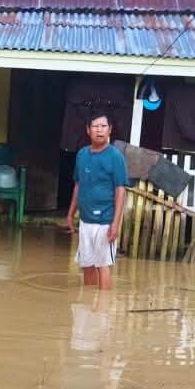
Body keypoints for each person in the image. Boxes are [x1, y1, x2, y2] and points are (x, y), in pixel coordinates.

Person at [64, 114, 128, 290]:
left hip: (105, 221)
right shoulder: (82, 155)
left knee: (102, 264)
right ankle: (89, 304)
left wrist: (115, 223)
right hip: (85, 220)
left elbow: (120, 190)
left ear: (110, 130)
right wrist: (70, 214)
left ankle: (103, 309)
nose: (99, 130)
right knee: (87, 264)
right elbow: (78, 185)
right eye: (95, 126)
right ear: (88, 130)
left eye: (103, 126)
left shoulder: (116, 157)